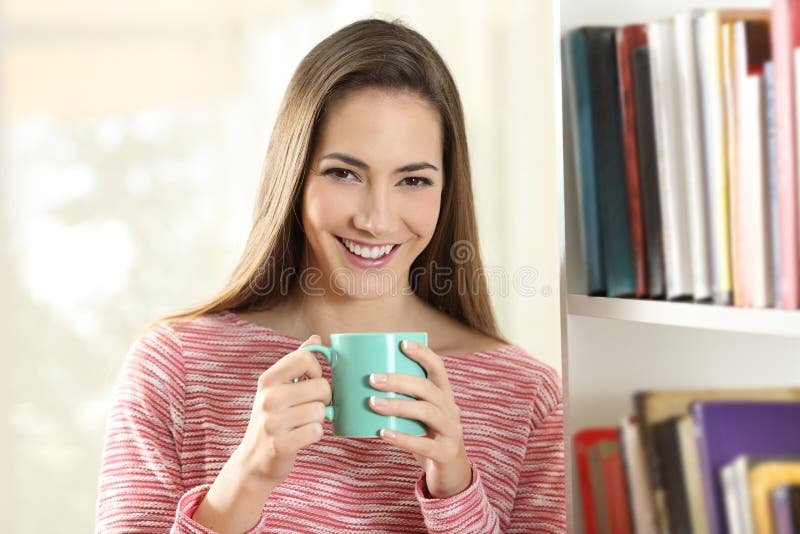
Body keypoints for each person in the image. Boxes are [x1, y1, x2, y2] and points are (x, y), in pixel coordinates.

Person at [95, 17, 565, 534]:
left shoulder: (528, 396)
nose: (376, 219)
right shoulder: (175, 366)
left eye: (413, 179)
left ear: (446, 191)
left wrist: (456, 488)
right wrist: (246, 478)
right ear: (294, 176)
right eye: (344, 173)